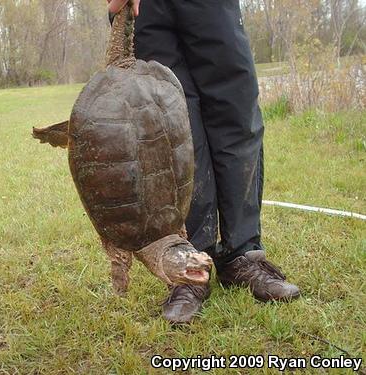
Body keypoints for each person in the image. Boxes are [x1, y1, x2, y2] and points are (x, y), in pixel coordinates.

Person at [107, 0, 300, 324]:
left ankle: (243, 254)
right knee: (172, 127)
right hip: (146, 8)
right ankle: (192, 265)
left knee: (235, 111)